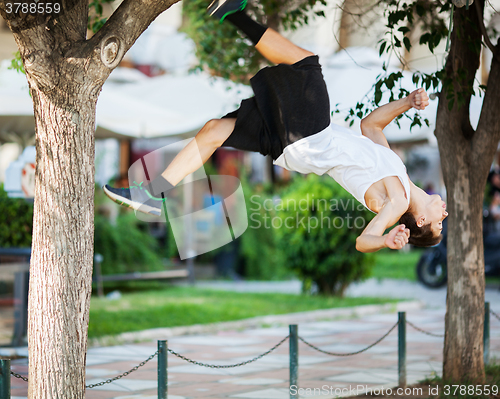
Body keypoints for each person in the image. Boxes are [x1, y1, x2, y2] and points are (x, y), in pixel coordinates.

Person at [104, 0, 448, 253]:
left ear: (419, 222)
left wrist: (385, 239)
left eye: (439, 222)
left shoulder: (398, 201)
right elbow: (370, 126)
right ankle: (150, 193)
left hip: (312, 135)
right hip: (300, 144)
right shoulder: (397, 175)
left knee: (306, 63)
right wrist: (406, 102)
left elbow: (362, 241)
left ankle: (231, 11)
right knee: (213, 130)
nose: (444, 212)